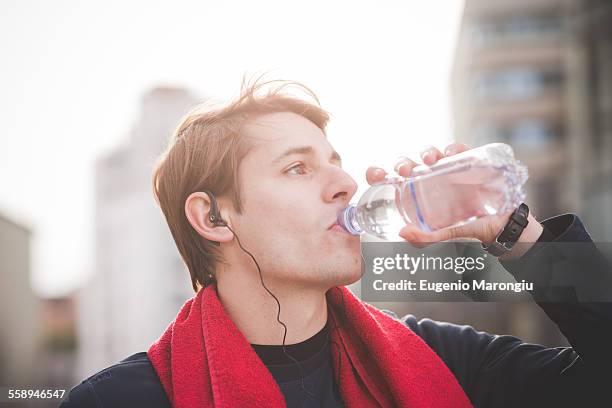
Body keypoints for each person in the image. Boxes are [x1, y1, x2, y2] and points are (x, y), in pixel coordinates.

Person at [60, 80, 611, 408]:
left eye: (336, 163)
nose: (347, 186)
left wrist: (519, 235)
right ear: (213, 217)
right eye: (297, 168)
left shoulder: (443, 359)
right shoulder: (122, 400)